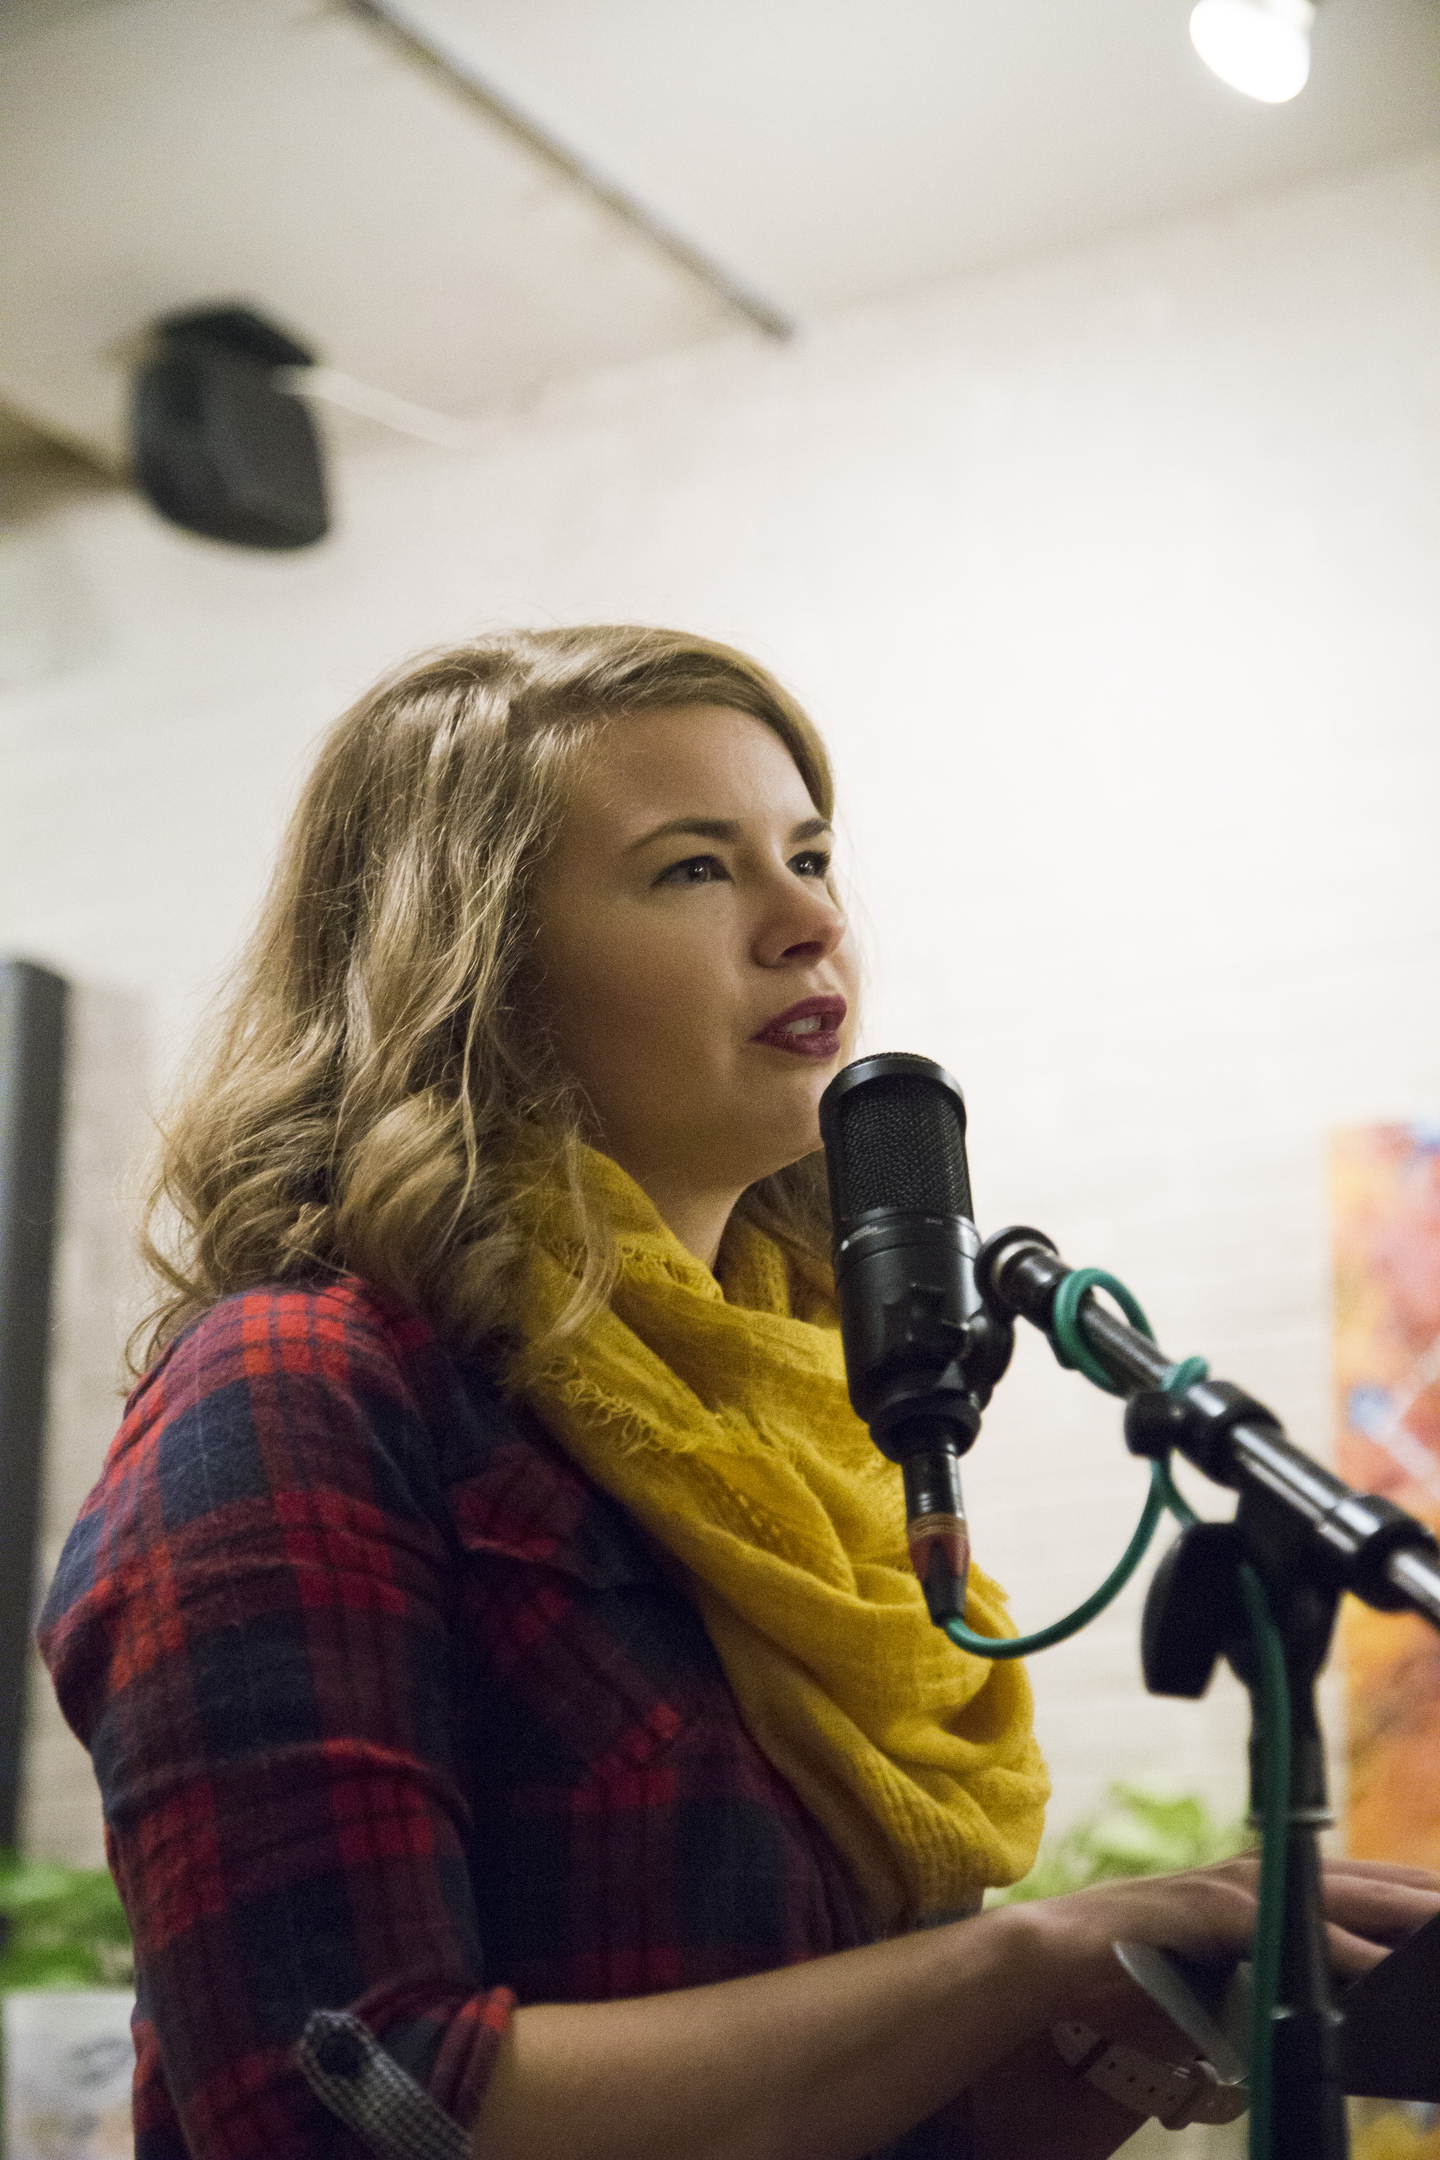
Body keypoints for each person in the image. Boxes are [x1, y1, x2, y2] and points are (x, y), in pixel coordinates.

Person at [39, 626, 1438, 2160]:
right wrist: (1020, 1962)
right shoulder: (308, 1386)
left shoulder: (814, 1433)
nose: (810, 922)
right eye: (696, 869)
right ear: (478, 972)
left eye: (811, 856)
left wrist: (1082, 2051)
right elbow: (345, 2101)